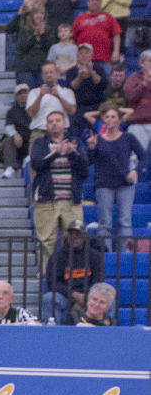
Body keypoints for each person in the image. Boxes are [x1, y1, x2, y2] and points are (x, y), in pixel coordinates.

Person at [30, 110, 88, 261]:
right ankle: (46, 278)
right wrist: (57, 153)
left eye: (58, 120)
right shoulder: (40, 143)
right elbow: (37, 164)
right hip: (46, 201)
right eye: (51, 121)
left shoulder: (76, 142)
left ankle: (70, 278)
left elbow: (84, 169)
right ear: (47, 126)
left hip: (72, 201)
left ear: (65, 124)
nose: (54, 123)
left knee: (74, 241)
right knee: (46, 242)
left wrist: (71, 153)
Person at [87, 109, 142, 251]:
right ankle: (105, 254)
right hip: (104, 184)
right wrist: (91, 148)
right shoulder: (97, 139)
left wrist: (135, 171)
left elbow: (144, 156)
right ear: (103, 120)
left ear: (119, 120)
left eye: (113, 117)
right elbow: (89, 161)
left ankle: (123, 255)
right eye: (107, 117)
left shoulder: (128, 137)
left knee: (125, 222)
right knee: (105, 222)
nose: (110, 119)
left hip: (125, 183)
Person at [40, 222, 104, 324]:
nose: (74, 237)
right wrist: (73, 297)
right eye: (71, 234)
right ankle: (51, 334)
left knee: (107, 299)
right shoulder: (57, 257)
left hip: (90, 297)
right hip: (65, 297)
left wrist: (86, 297)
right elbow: (53, 283)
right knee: (48, 298)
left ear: (84, 236)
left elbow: (98, 281)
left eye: (78, 234)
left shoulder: (95, 256)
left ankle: (105, 333)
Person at [72, 0, 122, 85]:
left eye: (97, 1)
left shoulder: (108, 16)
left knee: (105, 83)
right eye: (92, 0)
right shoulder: (80, 18)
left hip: (104, 58)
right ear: (87, 2)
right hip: (84, 60)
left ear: (101, 3)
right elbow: (73, 38)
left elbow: (116, 34)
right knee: (85, 84)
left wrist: (116, 51)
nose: (94, 3)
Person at [26, 63, 76, 139]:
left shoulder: (67, 92)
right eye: (46, 73)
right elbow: (31, 113)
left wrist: (58, 96)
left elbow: (72, 111)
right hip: (39, 134)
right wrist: (40, 96)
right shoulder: (34, 92)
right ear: (42, 76)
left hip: (61, 134)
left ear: (57, 75)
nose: (49, 75)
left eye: (51, 72)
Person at [64, 45, 109, 119]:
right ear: (77, 56)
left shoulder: (99, 69)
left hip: (96, 106)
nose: (83, 55)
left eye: (86, 53)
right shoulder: (71, 71)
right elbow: (70, 88)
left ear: (91, 55)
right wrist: (79, 77)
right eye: (81, 53)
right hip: (78, 106)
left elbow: (103, 85)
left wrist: (92, 73)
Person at [123, 50, 151, 153]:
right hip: (138, 123)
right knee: (135, 156)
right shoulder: (133, 78)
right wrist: (143, 84)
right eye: (150, 61)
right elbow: (130, 97)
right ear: (141, 63)